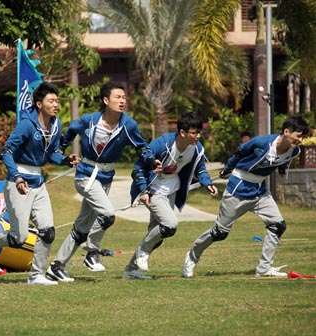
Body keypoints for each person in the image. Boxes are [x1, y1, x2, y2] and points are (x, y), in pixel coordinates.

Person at [46, 81, 158, 283]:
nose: (122, 101)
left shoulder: (128, 125)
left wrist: (152, 160)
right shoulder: (88, 121)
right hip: (85, 176)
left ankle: (56, 266)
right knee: (107, 214)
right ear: (106, 100)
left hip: (106, 179)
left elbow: (142, 147)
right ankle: (92, 253)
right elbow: (69, 132)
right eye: (118, 97)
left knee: (82, 227)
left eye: (124, 97)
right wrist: (59, 154)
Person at [0, 82, 79, 285]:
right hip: (17, 183)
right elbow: (6, 152)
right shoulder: (27, 124)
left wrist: (65, 160)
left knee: (48, 231)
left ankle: (37, 275)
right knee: (18, 238)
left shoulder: (56, 125)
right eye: (51, 100)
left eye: (57, 100)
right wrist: (17, 177)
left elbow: (52, 154)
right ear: (39, 104)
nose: (56, 104)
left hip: (38, 184)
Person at [183, 116, 310, 278]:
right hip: (239, 188)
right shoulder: (261, 143)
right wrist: (227, 168)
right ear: (286, 132)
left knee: (277, 225)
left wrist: (282, 169)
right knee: (219, 232)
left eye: (303, 137)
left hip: (260, 191)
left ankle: (264, 269)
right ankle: (192, 256)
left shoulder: (295, 151)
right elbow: (239, 152)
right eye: (299, 136)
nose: (300, 140)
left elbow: (284, 161)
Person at [124, 112, 218, 280]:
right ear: (182, 132)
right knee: (169, 225)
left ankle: (131, 270)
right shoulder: (161, 144)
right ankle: (142, 252)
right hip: (153, 191)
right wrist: (143, 191)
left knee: (157, 235)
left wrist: (207, 182)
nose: (198, 136)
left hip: (172, 191)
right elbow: (138, 168)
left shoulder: (196, 148)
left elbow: (201, 168)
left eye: (199, 132)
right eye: (194, 132)